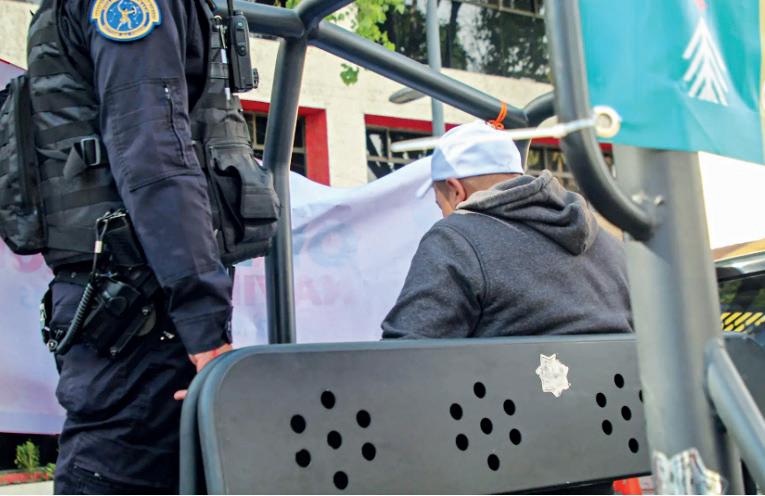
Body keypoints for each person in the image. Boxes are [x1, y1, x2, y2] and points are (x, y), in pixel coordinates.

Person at [18, 0, 277, 492]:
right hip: (140, 309)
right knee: (126, 469)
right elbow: (154, 155)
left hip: (133, 302)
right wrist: (204, 326)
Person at [382, 120, 632, 340]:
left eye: (441, 204)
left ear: (456, 190)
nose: (443, 214)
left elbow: (406, 357)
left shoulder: (454, 240)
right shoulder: (612, 247)